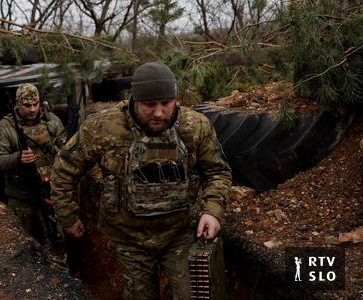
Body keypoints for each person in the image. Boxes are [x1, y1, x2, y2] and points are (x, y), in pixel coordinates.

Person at [50, 62, 232, 299]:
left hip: (179, 233)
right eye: (149, 105)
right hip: (128, 239)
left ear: (175, 99)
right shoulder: (102, 128)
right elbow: (64, 169)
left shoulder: (196, 127)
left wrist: (213, 210)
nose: (158, 112)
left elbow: (218, 171)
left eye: (166, 103)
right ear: (134, 100)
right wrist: (68, 216)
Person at [0, 83, 67, 269]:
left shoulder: (52, 121)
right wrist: (18, 158)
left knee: (57, 236)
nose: (32, 109)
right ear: (18, 104)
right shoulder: (6, 127)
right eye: (27, 105)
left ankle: (61, 275)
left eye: (36, 104)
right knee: (26, 239)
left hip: (51, 191)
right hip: (22, 196)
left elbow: (67, 151)